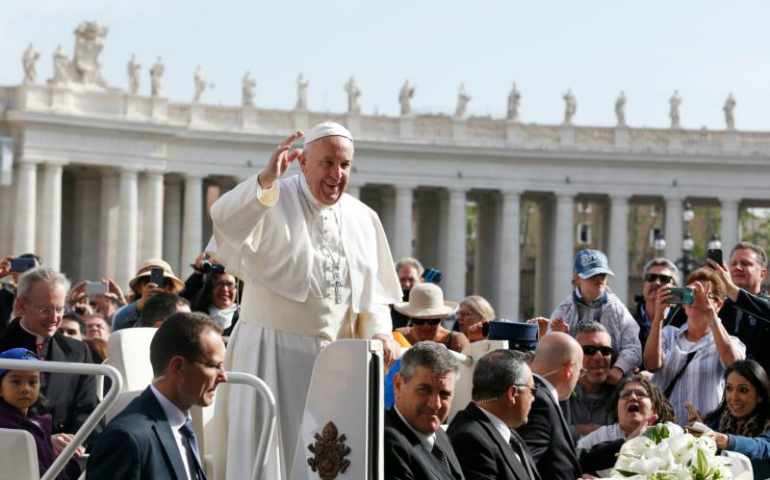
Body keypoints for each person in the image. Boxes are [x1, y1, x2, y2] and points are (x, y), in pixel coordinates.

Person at [208, 121, 402, 479]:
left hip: (339, 365)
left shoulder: (363, 218)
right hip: (270, 355)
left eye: (344, 165)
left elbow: (371, 294)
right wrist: (265, 181)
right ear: (304, 164)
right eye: (327, 163)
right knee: (269, 460)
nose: (336, 174)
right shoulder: (271, 198)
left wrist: (380, 333)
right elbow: (225, 222)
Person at [87, 312, 227, 479]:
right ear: (178, 367)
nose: (223, 376)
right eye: (214, 366)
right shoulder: (126, 439)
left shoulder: (182, 428)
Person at [0, 267, 98, 456]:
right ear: (21, 305)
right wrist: (43, 441)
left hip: (65, 460)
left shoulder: (78, 351)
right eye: (46, 309)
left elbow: (89, 410)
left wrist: (73, 441)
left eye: (60, 309)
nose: (54, 318)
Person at [644, 267, 745, 426]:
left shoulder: (728, 341)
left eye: (704, 294)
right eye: (690, 293)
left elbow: (735, 365)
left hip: (704, 432)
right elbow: (651, 365)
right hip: (664, 429)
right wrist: (658, 319)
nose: (695, 299)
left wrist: (710, 313)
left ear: (718, 304)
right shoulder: (668, 334)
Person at [550, 249, 641, 385]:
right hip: (575, 388)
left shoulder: (618, 309)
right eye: (592, 275)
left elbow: (634, 347)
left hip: (612, 387)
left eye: (602, 274)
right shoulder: (563, 311)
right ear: (576, 278)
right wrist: (559, 337)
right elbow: (549, 355)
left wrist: (618, 369)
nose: (599, 279)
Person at [448, 349, 540, 480]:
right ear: (512, 393)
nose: (533, 398)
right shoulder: (470, 440)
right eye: (532, 390)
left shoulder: (508, 433)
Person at [385, 341, 465, 480]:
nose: (436, 404)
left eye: (444, 394)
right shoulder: (388, 445)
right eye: (424, 390)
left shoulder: (438, 434)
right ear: (398, 386)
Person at [576, 374, 675, 477]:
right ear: (617, 408)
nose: (632, 397)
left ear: (655, 407)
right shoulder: (594, 439)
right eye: (626, 395)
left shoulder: (671, 436)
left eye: (640, 394)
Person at [516, 332, 583, 480]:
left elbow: (561, 456)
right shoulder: (540, 402)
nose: (579, 378)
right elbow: (522, 467)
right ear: (569, 369)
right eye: (580, 371)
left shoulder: (538, 395)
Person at [0, 348, 75, 480]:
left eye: (32, 382)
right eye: (16, 381)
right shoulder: (8, 426)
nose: (25, 389)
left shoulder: (34, 424)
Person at [697, 359, 770, 478]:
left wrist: (725, 441)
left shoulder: (767, 425)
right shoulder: (715, 422)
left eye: (743, 390)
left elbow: (762, 447)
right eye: (729, 388)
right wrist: (701, 431)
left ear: (760, 396)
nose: (734, 397)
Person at [708, 242, 770, 373]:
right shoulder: (719, 306)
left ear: (762, 274)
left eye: (745, 263)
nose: (738, 267)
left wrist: (730, 288)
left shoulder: (765, 306)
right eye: (734, 263)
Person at [563, 322, 615, 440]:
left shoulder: (624, 395)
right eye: (589, 350)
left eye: (605, 350)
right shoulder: (557, 394)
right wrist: (576, 431)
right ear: (574, 355)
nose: (598, 357)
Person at [394, 283, 470, 353]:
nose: (426, 327)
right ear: (410, 317)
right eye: (418, 320)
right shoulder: (399, 335)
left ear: (441, 318)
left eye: (433, 320)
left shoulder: (456, 340)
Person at [112, 259, 185, 331]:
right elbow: (118, 323)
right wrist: (141, 304)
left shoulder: (181, 310)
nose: (154, 286)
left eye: (163, 282)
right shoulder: (127, 315)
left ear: (170, 288)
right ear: (138, 288)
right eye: (147, 280)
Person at [632, 258, 679, 349]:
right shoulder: (628, 320)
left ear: (674, 288)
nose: (657, 283)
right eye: (651, 277)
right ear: (643, 286)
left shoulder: (685, 321)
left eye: (664, 279)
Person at [392, 257, 424, 329]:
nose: (407, 284)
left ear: (421, 281)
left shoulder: (429, 306)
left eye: (411, 279)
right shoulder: (388, 308)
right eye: (402, 280)